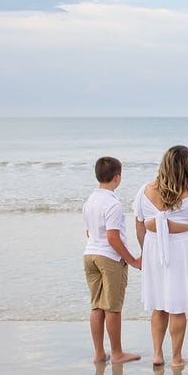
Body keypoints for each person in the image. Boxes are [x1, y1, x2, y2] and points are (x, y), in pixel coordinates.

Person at [133, 145, 188, 368]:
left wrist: (144, 253)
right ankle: (176, 357)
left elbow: (139, 226)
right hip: (182, 252)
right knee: (176, 305)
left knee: (159, 304)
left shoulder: (144, 191)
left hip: (153, 249)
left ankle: (158, 354)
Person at [83, 156, 142, 364]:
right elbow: (112, 237)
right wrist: (133, 260)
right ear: (117, 177)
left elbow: (89, 232)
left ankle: (99, 353)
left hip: (90, 254)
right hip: (108, 257)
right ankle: (116, 353)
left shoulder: (90, 200)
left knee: (97, 306)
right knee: (113, 307)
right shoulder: (113, 203)